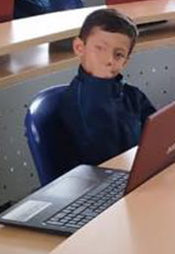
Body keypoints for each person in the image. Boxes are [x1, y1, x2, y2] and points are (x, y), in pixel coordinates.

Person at [54, 9, 156, 171]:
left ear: (125, 61)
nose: (109, 60)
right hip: (98, 184)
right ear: (79, 47)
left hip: (135, 173)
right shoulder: (77, 101)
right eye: (100, 48)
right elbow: (104, 158)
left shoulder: (132, 94)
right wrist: (98, 85)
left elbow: (156, 134)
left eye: (119, 55)